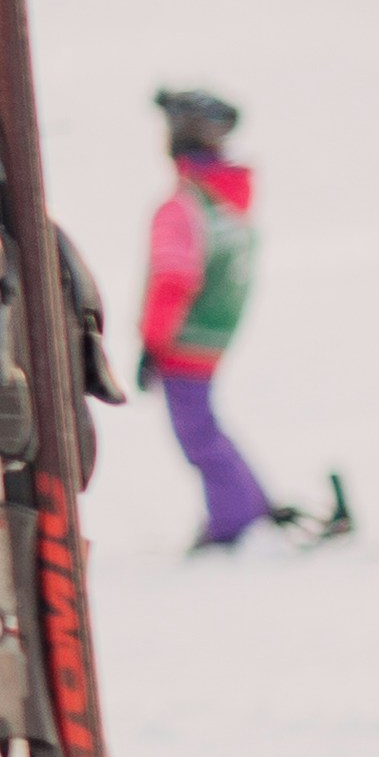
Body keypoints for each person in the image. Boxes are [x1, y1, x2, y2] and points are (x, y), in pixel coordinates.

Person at [139, 86, 274, 550]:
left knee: (196, 433)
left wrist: (153, 343)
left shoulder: (183, 206)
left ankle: (235, 520)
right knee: (205, 424)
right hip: (216, 329)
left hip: (186, 337)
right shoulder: (226, 197)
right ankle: (250, 503)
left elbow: (172, 279)